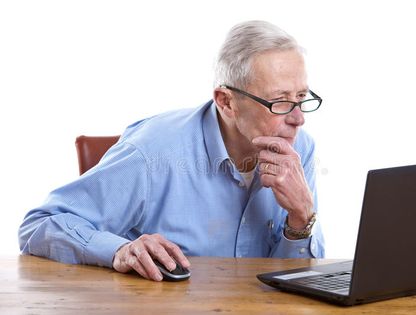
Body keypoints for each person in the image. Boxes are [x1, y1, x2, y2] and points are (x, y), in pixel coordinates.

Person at [18, 20, 325, 282]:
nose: (298, 118)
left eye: (301, 96)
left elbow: (298, 279)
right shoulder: (152, 152)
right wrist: (118, 250)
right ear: (226, 101)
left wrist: (301, 218)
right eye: (280, 101)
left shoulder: (300, 148)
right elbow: (40, 224)